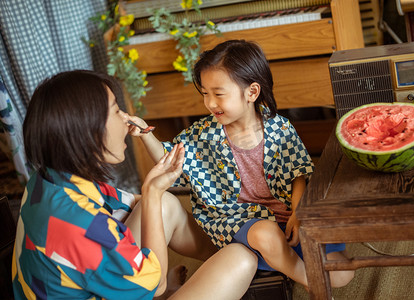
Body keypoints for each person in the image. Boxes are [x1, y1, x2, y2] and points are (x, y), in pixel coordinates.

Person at [12, 70, 257, 300]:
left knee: (165, 203)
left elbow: (124, 204)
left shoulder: (50, 178)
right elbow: (155, 282)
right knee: (241, 259)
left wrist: (211, 206)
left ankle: (216, 252)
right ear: (87, 130)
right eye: (116, 111)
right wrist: (151, 192)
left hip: (88, 283)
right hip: (135, 282)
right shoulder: (77, 226)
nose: (127, 119)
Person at [136, 40, 355, 289]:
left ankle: (289, 265)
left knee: (342, 273)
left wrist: (297, 213)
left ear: (251, 92)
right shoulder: (203, 133)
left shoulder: (280, 127)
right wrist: (145, 134)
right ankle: (312, 284)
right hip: (239, 223)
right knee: (266, 234)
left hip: (286, 219)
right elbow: (168, 158)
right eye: (205, 94)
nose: (210, 103)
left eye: (218, 94)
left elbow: (299, 174)